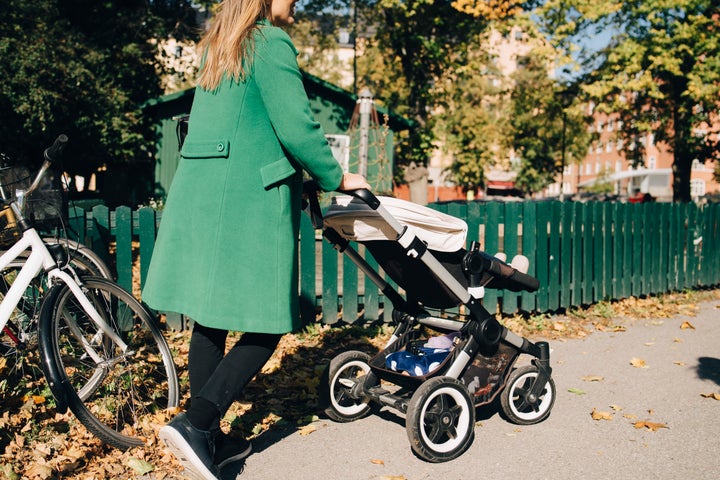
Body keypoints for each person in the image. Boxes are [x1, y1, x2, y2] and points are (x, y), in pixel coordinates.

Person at [141, 0, 369, 478]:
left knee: (210, 318)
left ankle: (211, 439)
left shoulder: (219, 44)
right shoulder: (268, 42)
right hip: (247, 201)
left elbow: (240, 125)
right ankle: (198, 422)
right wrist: (335, 176)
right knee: (270, 320)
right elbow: (296, 127)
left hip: (204, 194)